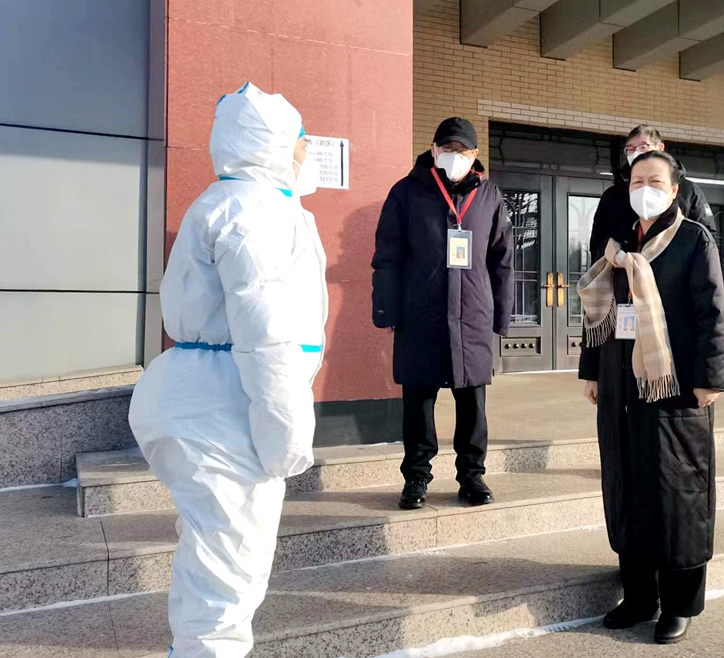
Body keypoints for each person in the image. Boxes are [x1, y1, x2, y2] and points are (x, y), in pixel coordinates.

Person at [128, 83, 328, 657]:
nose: (307, 150)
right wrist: (286, 434)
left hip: (201, 394)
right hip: (227, 405)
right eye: (301, 140)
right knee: (228, 574)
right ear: (273, 143)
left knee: (212, 551)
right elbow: (266, 334)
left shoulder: (234, 203)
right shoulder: (254, 212)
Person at [578, 150, 724, 645]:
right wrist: (592, 371)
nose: (645, 188)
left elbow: (711, 313)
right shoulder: (617, 246)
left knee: (677, 493)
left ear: (675, 189)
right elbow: (599, 312)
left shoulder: (693, 239)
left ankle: (679, 603)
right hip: (621, 385)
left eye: (656, 181)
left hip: (675, 388)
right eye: (637, 180)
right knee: (628, 486)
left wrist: (710, 378)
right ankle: (639, 595)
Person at [372, 117, 514, 511]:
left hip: (472, 316)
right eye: (447, 149)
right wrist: (386, 309)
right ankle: (416, 478)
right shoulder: (406, 192)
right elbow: (387, 256)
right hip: (422, 314)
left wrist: (501, 316)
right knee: (418, 402)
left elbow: (502, 260)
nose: (454, 156)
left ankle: (472, 476)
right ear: (434, 150)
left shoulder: (489, 195)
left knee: (472, 404)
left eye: (462, 150)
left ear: (475, 154)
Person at [590, 125, 716, 261]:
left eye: (643, 147)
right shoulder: (613, 195)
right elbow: (598, 240)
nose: (636, 153)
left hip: (673, 267)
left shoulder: (687, 190)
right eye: (630, 149)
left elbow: (706, 238)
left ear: (660, 148)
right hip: (623, 269)